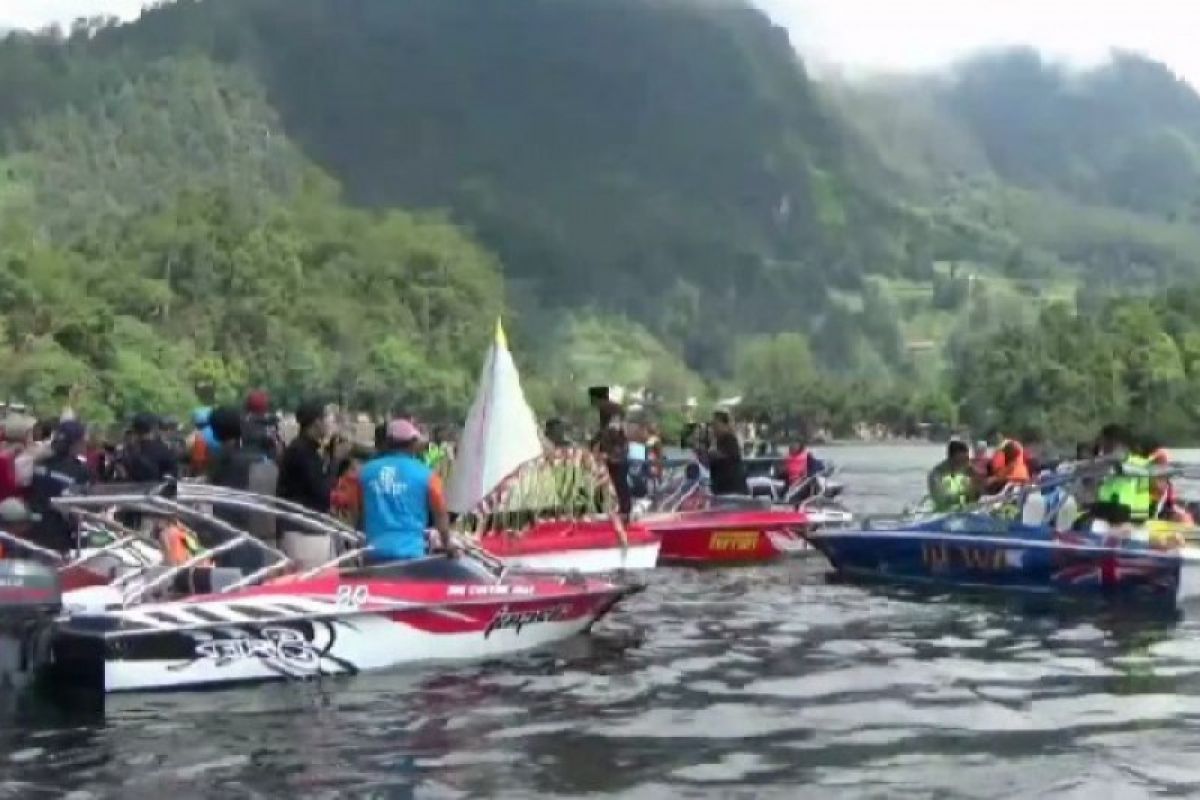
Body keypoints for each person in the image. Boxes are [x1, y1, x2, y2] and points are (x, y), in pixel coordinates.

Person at [358, 419, 454, 561]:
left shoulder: (364, 472)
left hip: (373, 554)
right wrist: (448, 545)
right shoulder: (427, 475)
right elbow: (440, 515)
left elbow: (357, 512)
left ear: (388, 442)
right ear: (413, 443)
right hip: (411, 556)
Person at [26, 420, 91, 553]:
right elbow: (79, 507)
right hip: (57, 535)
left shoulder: (39, 460)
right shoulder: (80, 471)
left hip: (30, 527)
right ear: (76, 443)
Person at [276, 400, 333, 513]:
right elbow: (322, 492)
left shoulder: (307, 447)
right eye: (327, 418)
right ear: (317, 422)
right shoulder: (301, 451)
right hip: (299, 524)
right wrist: (336, 460)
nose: (330, 423)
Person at [1093, 424, 1152, 524]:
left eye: (1105, 444)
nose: (1103, 448)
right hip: (1112, 512)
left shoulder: (1136, 464)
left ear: (1116, 443)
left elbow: (1118, 460)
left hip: (1129, 515)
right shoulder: (1108, 463)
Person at [590, 401, 631, 517]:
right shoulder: (608, 430)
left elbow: (621, 446)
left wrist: (609, 455)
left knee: (619, 484)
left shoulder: (613, 430)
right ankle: (620, 509)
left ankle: (623, 510)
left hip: (616, 461)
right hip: (614, 461)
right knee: (617, 485)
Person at [120, 412, 178, 483]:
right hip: (156, 492)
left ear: (134, 429)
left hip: (130, 492)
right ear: (154, 428)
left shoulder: (127, 452)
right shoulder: (164, 451)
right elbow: (173, 477)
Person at [705, 410, 747, 496]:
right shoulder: (718, 441)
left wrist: (711, 452)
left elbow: (725, 456)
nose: (713, 428)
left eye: (716, 425)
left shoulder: (729, 439)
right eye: (712, 425)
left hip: (731, 488)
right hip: (721, 488)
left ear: (725, 425)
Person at [927, 440, 976, 512]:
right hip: (943, 510)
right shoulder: (935, 475)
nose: (964, 463)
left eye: (966, 459)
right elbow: (941, 501)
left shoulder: (967, 468)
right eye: (960, 460)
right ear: (950, 458)